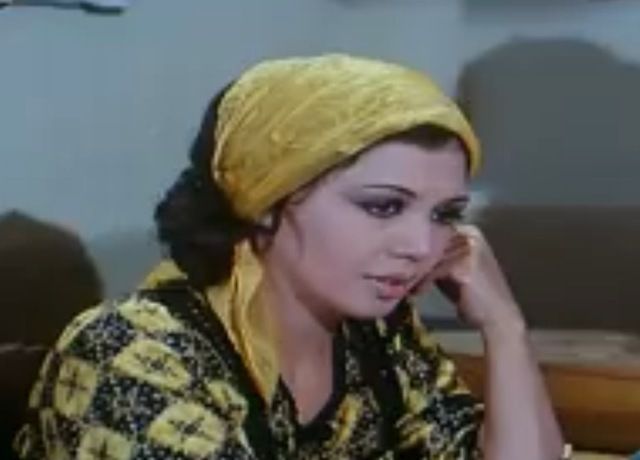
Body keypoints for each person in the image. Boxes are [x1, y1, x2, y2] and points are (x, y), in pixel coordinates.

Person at [14, 54, 565, 459]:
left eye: (444, 214)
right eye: (383, 206)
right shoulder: (131, 349)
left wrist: (504, 325)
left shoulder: (379, 338)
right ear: (265, 199)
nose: (421, 247)